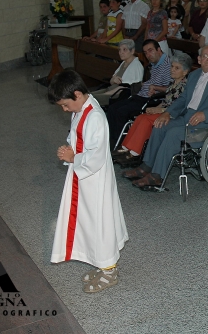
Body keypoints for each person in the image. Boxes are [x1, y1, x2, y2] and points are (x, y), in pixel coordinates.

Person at [48, 70, 128, 293]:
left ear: (76, 94)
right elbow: (77, 137)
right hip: (83, 177)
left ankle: (109, 271)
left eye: (65, 105)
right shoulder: (81, 110)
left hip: (95, 180)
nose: (65, 110)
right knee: (89, 222)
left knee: (99, 221)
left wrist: (73, 157)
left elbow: (97, 155)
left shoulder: (95, 116)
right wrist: (69, 147)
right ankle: (102, 265)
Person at [124, 45, 208, 189]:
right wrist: (167, 113)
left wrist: (205, 115)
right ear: (199, 59)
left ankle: (157, 176)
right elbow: (183, 99)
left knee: (174, 134)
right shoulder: (194, 75)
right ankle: (146, 166)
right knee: (160, 125)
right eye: (205, 56)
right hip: (188, 117)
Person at [117, 54, 192, 164]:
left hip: (173, 115)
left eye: (177, 68)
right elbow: (166, 101)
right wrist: (154, 108)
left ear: (185, 72)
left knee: (146, 120)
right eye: (172, 66)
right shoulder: (173, 83)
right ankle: (126, 147)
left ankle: (135, 153)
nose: (172, 70)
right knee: (141, 117)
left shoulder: (185, 86)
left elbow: (179, 106)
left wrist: (159, 110)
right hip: (164, 111)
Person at [106, 40, 172, 146]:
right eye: (145, 53)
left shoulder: (168, 66)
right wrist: (144, 84)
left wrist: (155, 87)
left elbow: (171, 88)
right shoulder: (155, 64)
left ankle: (119, 144)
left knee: (120, 112)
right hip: (141, 95)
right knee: (113, 108)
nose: (148, 55)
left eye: (150, 51)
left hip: (150, 100)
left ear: (159, 50)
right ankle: (111, 141)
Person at [91, 39, 145, 106]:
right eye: (119, 50)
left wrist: (105, 94)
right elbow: (112, 81)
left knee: (89, 99)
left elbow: (129, 90)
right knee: (87, 95)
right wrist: (113, 80)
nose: (121, 52)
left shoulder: (136, 66)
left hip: (117, 96)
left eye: (124, 49)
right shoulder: (124, 63)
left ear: (132, 51)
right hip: (110, 90)